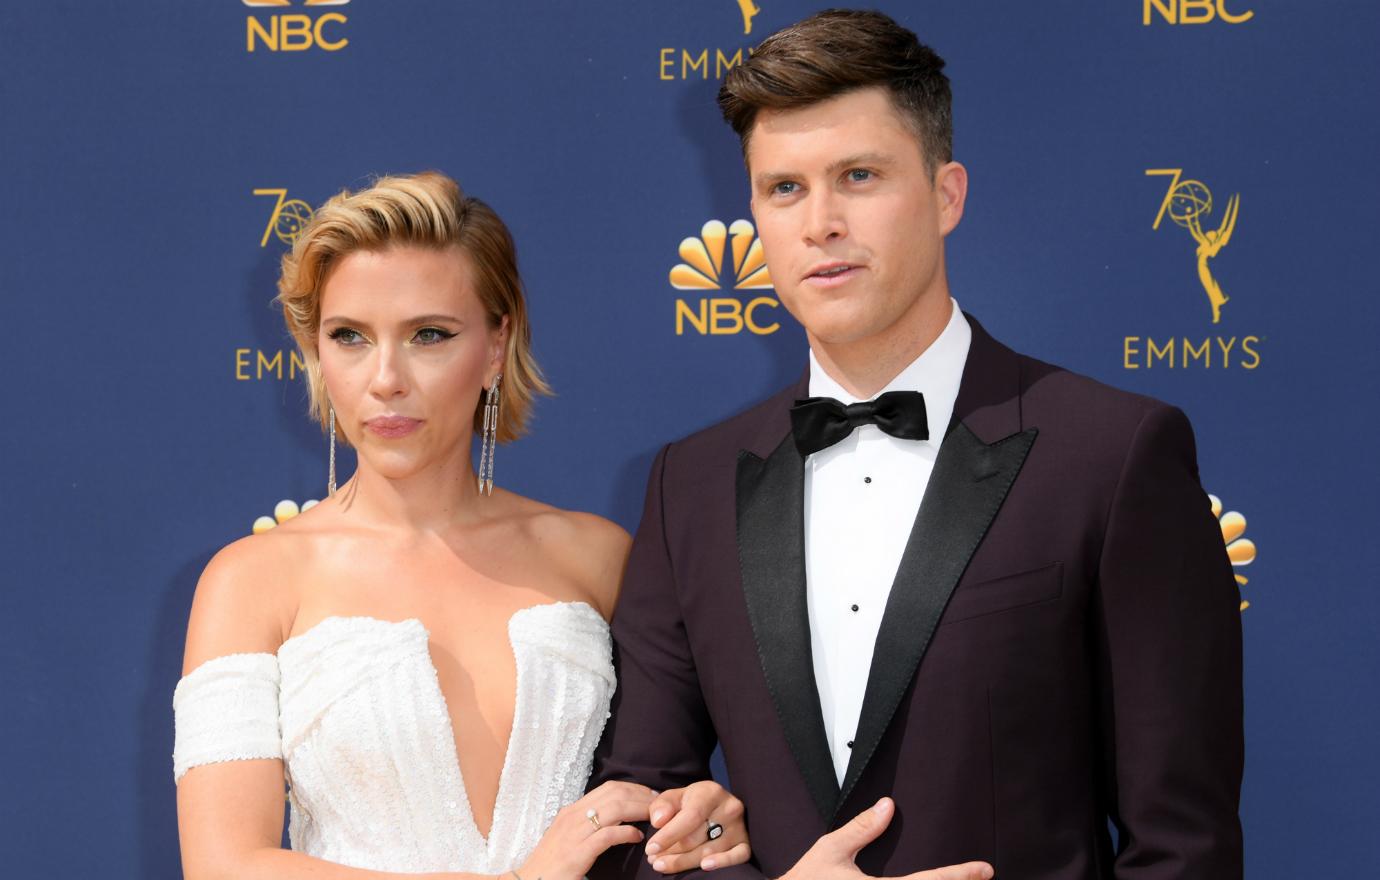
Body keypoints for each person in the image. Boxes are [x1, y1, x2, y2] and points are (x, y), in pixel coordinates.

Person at [590, 10, 1243, 880]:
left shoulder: (1114, 455)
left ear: (947, 194)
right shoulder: (691, 485)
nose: (820, 222)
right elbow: (633, 816)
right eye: (784, 188)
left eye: (858, 176)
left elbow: (1184, 849)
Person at [172, 172, 753, 879]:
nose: (385, 378)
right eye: (350, 336)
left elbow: (658, 788)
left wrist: (697, 817)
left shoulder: (596, 556)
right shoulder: (248, 582)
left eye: (428, 335)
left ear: (496, 345)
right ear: (316, 353)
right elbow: (223, 865)